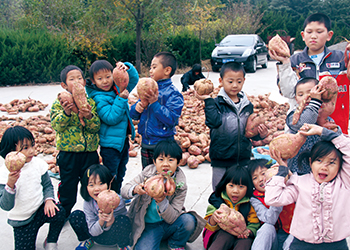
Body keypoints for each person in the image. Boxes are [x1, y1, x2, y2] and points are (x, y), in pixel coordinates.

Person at [266, 123, 350, 250]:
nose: (324, 167)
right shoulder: (299, 182)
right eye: (319, 161)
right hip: (302, 245)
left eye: (332, 162)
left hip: (336, 245)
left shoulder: (344, 182)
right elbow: (273, 199)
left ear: (340, 166)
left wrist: (323, 132)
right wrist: (282, 171)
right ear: (310, 162)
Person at [269, 13, 350, 134]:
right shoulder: (294, 61)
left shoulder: (341, 59)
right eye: (309, 32)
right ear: (303, 35)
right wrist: (284, 62)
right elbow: (288, 92)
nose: (313, 36)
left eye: (319, 32)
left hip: (334, 124)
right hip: (303, 127)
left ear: (329, 35)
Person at [120, 139, 206, 250]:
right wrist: (135, 189)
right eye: (161, 159)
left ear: (179, 162)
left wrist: (161, 201)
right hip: (148, 226)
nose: (165, 164)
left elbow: (173, 217)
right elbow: (124, 191)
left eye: (171, 160)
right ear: (155, 162)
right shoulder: (147, 174)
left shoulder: (180, 184)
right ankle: (155, 237)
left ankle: (175, 243)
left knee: (189, 221)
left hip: (169, 223)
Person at [195, 62, 268, 190]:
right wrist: (207, 100)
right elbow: (213, 122)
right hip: (221, 159)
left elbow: (249, 132)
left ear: (244, 81)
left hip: (243, 159)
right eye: (230, 81)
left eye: (239, 81)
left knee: (241, 191)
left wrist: (260, 135)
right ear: (221, 81)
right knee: (219, 192)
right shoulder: (216, 103)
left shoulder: (248, 106)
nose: (235, 85)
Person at [0, 126, 66, 250]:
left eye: (32, 145)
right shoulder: (4, 174)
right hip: (22, 221)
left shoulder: (37, 164)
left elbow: (47, 185)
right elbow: (5, 206)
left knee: (60, 212)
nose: (31, 151)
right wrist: (10, 184)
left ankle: (51, 241)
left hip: (41, 209)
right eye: (25, 148)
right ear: (11, 151)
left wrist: (49, 200)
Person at [50, 65, 101, 218]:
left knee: (92, 185)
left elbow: (95, 127)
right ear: (64, 86)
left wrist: (89, 116)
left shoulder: (90, 103)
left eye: (79, 78)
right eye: (72, 79)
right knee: (68, 186)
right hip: (68, 155)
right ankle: (64, 214)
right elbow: (57, 126)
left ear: (84, 82)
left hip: (89, 154)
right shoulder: (59, 103)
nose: (77, 81)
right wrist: (67, 112)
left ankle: (94, 212)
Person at [85, 60, 139, 193]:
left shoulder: (117, 88)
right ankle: (108, 198)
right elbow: (111, 118)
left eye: (108, 77)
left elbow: (133, 79)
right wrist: (120, 99)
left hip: (122, 141)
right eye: (100, 78)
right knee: (111, 174)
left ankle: (117, 195)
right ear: (93, 81)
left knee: (121, 171)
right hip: (110, 146)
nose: (105, 81)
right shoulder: (98, 98)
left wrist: (126, 67)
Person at [130, 51, 184, 169]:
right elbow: (133, 116)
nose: (150, 70)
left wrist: (154, 104)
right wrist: (137, 108)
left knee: (163, 179)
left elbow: (172, 119)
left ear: (167, 70)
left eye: (154, 67)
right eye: (150, 67)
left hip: (163, 145)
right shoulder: (146, 89)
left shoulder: (173, 94)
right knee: (147, 177)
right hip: (145, 144)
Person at [285, 77, 342, 174]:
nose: (306, 96)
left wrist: (335, 131)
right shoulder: (293, 116)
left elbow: (337, 139)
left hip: (321, 170)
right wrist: (315, 101)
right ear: (296, 99)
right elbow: (306, 122)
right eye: (301, 94)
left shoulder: (325, 118)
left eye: (311, 92)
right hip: (297, 171)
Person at [69, 164, 132, 250]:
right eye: (91, 185)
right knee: (75, 215)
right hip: (94, 235)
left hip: (114, 236)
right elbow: (93, 231)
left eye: (101, 183)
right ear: (86, 187)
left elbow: (124, 226)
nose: (96, 189)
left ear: (109, 184)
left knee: (124, 220)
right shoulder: (88, 203)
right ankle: (87, 240)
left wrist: (110, 221)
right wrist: (102, 220)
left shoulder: (117, 200)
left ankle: (122, 245)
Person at [202, 165, 260, 250]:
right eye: (231, 185)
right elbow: (208, 224)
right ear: (225, 185)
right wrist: (214, 218)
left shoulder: (250, 203)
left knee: (245, 243)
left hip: (241, 235)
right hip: (220, 234)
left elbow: (254, 223)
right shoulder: (218, 200)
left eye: (241, 187)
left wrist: (248, 231)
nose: (235, 191)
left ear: (248, 188)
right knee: (225, 236)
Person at [248, 159, 294, 250]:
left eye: (263, 173)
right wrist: (276, 195)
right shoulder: (255, 198)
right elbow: (270, 219)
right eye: (255, 178)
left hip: (291, 234)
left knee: (297, 233)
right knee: (266, 227)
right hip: (273, 238)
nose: (260, 179)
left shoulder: (288, 187)